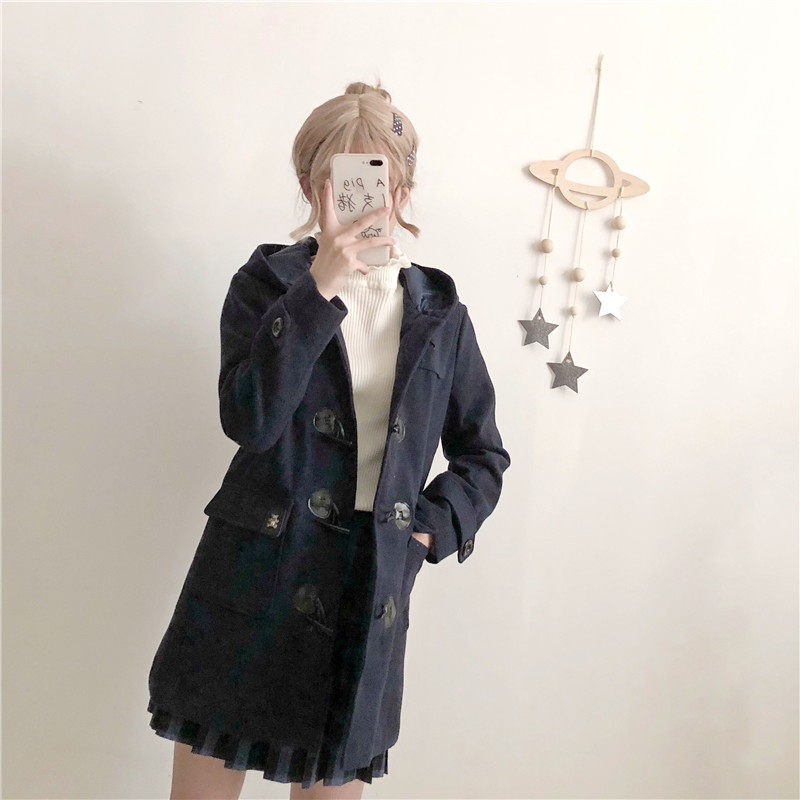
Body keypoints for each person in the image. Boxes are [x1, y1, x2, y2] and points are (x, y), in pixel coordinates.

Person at [147, 81, 510, 800]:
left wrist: (425, 531)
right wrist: (317, 292)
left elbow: (483, 455)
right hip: (255, 578)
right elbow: (249, 420)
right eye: (339, 179)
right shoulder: (266, 285)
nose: (359, 199)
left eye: (375, 180)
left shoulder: (440, 312)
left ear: (402, 189)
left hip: (366, 588)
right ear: (311, 184)